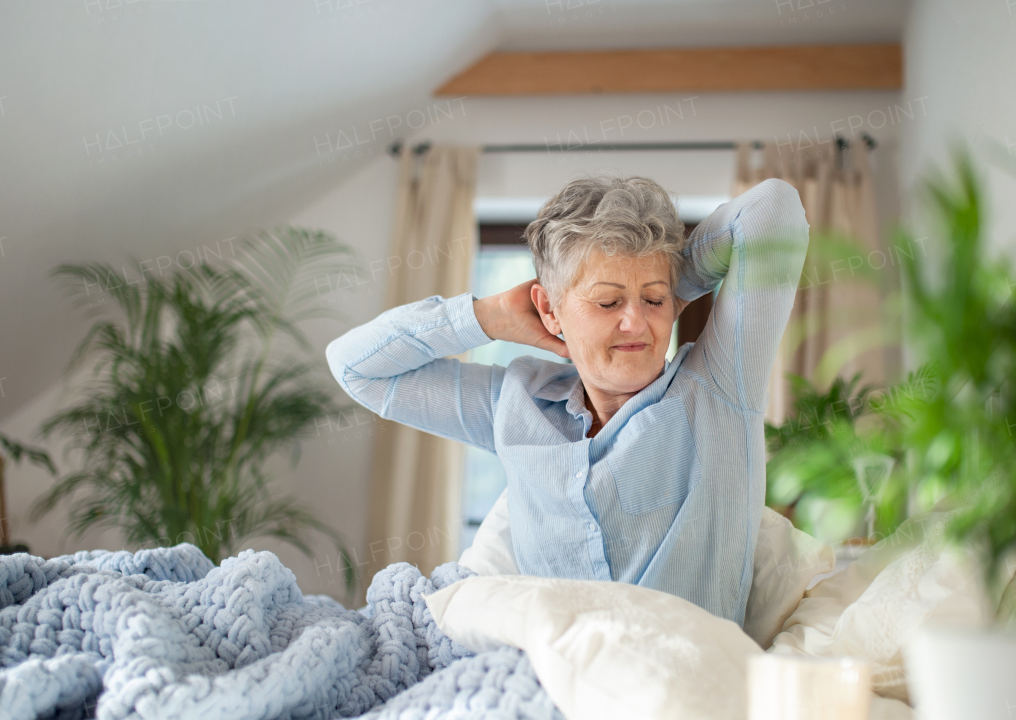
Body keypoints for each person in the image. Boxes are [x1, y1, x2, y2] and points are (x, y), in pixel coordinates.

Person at [326, 175, 808, 623]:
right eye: (608, 301)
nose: (637, 323)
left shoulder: (719, 388)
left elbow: (773, 210)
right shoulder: (515, 404)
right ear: (549, 309)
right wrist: (489, 316)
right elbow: (356, 368)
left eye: (654, 302)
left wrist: (674, 277)